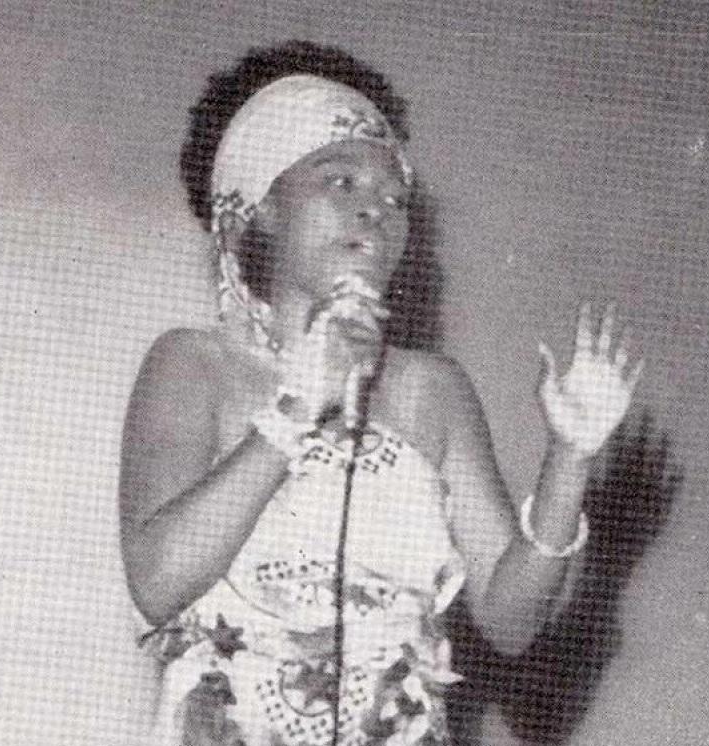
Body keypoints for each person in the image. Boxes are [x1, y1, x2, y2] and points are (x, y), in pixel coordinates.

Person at [118, 40, 642, 746]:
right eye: (341, 182)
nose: (375, 210)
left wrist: (570, 460)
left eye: (395, 198)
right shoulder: (193, 364)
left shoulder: (434, 392)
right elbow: (157, 580)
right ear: (259, 209)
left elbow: (511, 622)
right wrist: (297, 406)